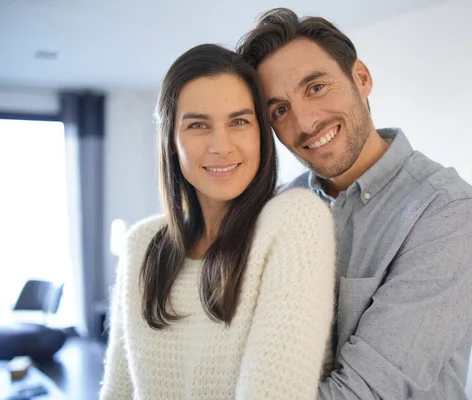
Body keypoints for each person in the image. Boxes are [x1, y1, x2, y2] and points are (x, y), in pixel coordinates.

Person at [238, 8, 472, 400]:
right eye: (279, 110)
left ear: (361, 78)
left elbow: (364, 395)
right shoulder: (281, 206)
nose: (306, 123)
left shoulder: (449, 212)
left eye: (315, 87)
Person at [99, 44, 336, 400]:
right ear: (171, 141)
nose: (221, 146)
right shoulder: (143, 244)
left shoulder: (293, 222)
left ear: (261, 133)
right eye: (198, 125)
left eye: (239, 121)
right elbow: (118, 391)